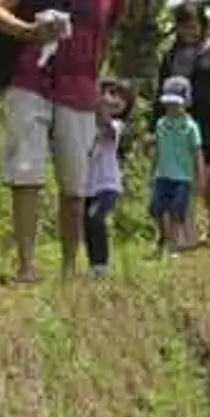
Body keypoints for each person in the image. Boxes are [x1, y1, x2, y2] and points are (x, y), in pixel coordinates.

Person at [0, 0, 131, 284]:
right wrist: (29, 31)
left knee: (75, 185)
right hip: (31, 81)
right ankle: (27, 267)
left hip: (79, 92)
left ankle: (67, 271)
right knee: (26, 172)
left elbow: (104, 44)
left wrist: (97, 96)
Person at [158, 3, 210, 241]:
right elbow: (162, 91)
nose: (188, 32)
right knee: (180, 177)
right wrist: (154, 126)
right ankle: (181, 230)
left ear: (202, 25)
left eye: (192, 26)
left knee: (209, 175)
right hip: (180, 123)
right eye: (182, 27)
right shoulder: (170, 56)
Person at [83, 79, 134, 278]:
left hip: (107, 184)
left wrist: (103, 105)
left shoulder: (117, 125)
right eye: (112, 93)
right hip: (87, 185)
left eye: (121, 98)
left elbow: (108, 130)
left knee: (95, 217)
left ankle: (101, 265)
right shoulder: (86, 121)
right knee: (87, 223)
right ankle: (93, 265)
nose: (115, 99)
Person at [149, 82, 203, 257]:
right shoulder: (160, 124)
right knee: (155, 209)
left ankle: (173, 246)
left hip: (182, 178)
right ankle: (163, 237)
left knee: (176, 212)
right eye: (168, 103)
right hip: (162, 175)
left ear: (186, 102)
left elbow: (197, 154)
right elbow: (157, 149)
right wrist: (152, 169)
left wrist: (200, 178)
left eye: (175, 104)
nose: (171, 107)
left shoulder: (191, 126)